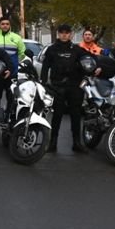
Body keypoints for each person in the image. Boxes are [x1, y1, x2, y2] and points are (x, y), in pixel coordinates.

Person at [40, 24, 93, 153]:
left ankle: (77, 143)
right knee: (57, 115)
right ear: (58, 34)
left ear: (71, 34)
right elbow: (45, 67)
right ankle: (52, 143)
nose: (64, 35)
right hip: (58, 86)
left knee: (76, 115)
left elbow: (90, 59)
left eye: (67, 32)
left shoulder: (77, 49)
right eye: (62, 32)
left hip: (75, 86)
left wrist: (97, 67)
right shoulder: (52, 49)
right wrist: (42, 83)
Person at [0, 16, 26, 127]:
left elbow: (21, 54)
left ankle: (9, 118)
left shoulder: (16, 38)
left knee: (11, 97)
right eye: (3, 24)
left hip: (11, 73)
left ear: (10, 25)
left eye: (7, 24)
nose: (5, 26)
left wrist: (13, 66)